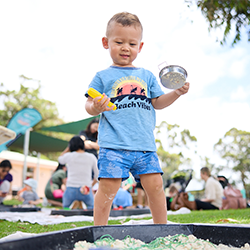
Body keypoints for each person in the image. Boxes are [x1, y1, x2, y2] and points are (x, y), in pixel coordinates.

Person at [85, 12, 190, 225]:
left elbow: (157, 102)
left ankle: (161, 228)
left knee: (156, 188)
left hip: (144, 146)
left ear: (140, 47)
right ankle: (98, 230)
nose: (126, 47)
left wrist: (176, 93)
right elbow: (88, 105)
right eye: (119, 42)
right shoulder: (102, 77)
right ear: (106, 43)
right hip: (114, 145)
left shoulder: (147, 75)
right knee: (107, 189)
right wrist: (95, 106)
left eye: (132, 43)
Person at [58, 135, 99, 209]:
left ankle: (66, 213)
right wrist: (91, 185)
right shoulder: (91, 157)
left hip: (71, 188)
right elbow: (97, 174)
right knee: (91, 207)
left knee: (66, 207)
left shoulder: (69, 156)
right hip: (86, 188)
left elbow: (60, 159)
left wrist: (67, 149)